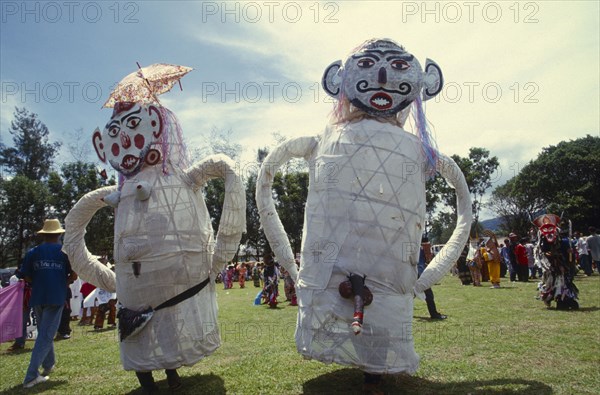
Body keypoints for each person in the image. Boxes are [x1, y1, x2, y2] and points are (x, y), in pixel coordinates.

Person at [20, 219, 76, 388]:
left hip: (37, 296)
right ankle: (31, 376)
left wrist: (40, 282)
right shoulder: (65, 252)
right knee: (46, 333)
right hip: (56, 297)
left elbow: (26, 276)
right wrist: (62, 284)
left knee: (44, 330)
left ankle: (48, 364)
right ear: (59, 234)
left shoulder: (33, 252)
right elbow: (74, 276)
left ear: (43, 235)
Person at [418, 237, 446, 319]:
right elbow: (426, 260)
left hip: (414, 274)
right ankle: (434, 314)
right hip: (420, 274)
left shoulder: (415, 248)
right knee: (429, 295)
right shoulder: (422, 248)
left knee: (411, 294)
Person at [6, 264, 32, 352]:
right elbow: (15, 292)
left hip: (36, 300)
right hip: (23, 303)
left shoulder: (36, 276)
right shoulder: (16, 279)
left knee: (41, 321)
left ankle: (44, 342)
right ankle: (19, 343)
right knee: (21, 323)